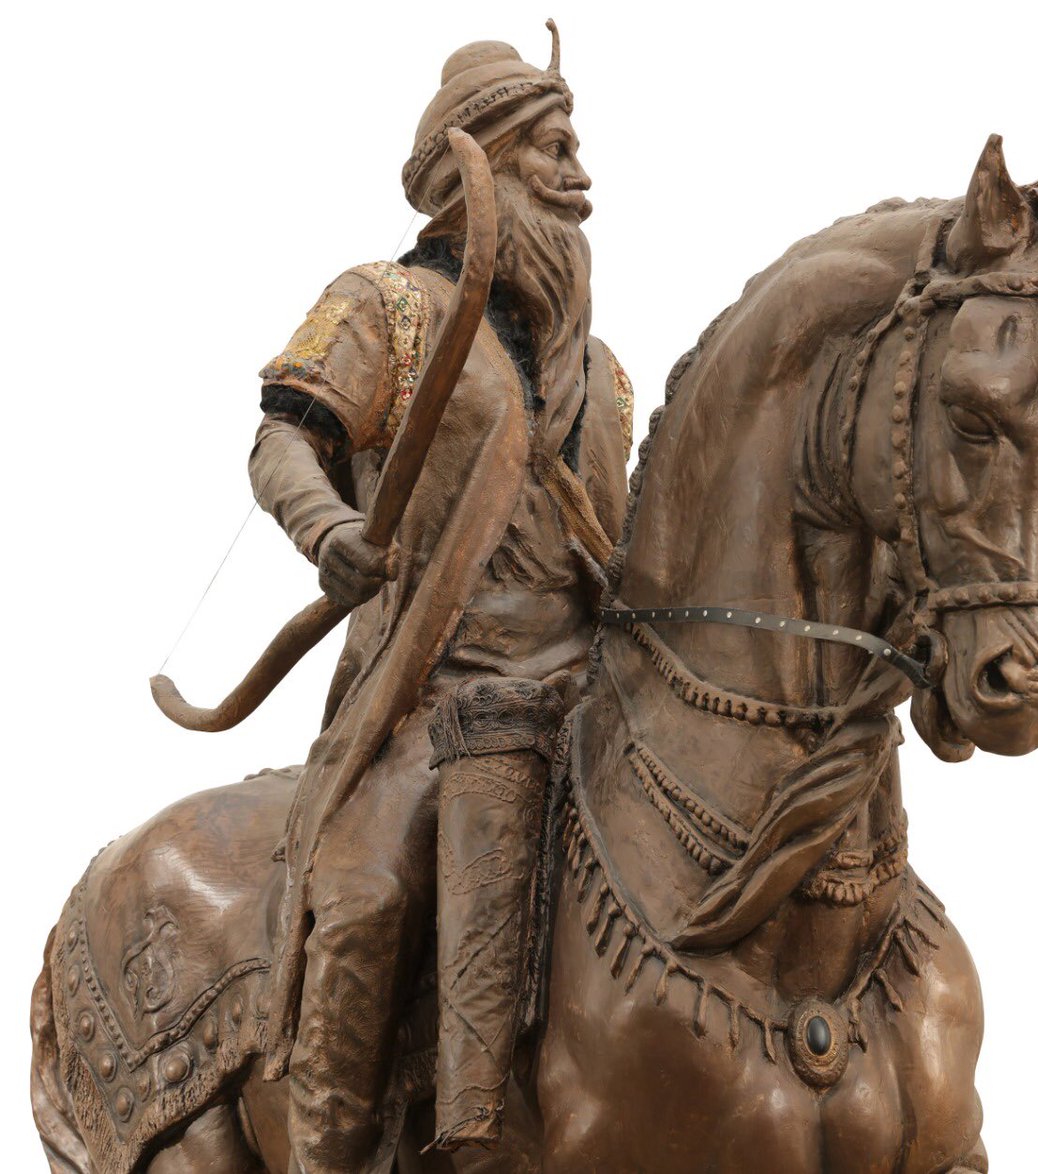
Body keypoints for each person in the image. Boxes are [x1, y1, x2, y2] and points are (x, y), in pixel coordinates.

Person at [247, 21, 633, 1171]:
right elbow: (283, 440)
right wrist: (331, 530)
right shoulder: (390, 308)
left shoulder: (604, 375)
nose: (581, 176)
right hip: (436, 692)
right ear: (482, 166)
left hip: (589, 705)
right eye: (554, 148)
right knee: (367, 899)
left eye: (576, 148)